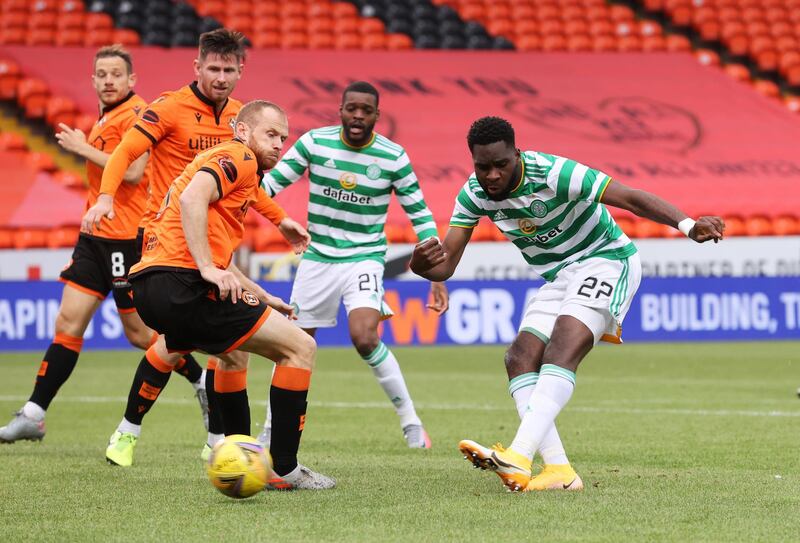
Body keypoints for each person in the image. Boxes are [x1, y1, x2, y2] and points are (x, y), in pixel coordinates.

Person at [410, 116, 725, 491]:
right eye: (482, 167)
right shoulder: (473, 195)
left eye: (501, 164)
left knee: (561, 348)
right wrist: (421, 266)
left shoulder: (554, 173)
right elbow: (445, 265)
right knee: (519, 357)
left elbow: (630, 198)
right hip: (559, 276)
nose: (491, 175)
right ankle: (559, 472)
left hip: (607, 259)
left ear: (517, 154)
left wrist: (688, 225)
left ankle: (519, 454)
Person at [0, 45, 206, 443]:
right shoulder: (109, 113)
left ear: (132, 80)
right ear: (93, 80)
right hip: (94, 237)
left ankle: (200, 381)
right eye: (102, 74)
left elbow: (133, 171)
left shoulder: (138, 114)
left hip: (124, 240)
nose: (109, 80)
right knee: (67, 323)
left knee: (137, 334)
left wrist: (81, 148)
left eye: (117, 74)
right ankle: (33, 413)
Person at [128, 100, 334, 489]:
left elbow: (212, 245)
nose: (279, 145)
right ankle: (285, 468)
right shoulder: (237, 156)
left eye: (283, 138)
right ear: (242, 131)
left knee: (233, 353)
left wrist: (259, 294)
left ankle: (238, 455)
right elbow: (192, 199)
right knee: (300, 348)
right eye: (270, 134)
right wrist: (206, 268)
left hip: (151, 287)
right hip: (184, 280)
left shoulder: (233, 171)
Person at [259, 81, 449, 449]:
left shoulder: (393, 157)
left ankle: (411, 422)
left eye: (366, 110)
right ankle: (270, 429)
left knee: (364, 336)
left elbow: (420, 214)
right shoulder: (315, 143)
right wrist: (233, 203)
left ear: (377, 115)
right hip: (317, 259)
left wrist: (439, 273)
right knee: (294, 344)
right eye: (352, 109)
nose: (358, 116)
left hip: (363, 258)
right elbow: (270, 184)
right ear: (341, 110)